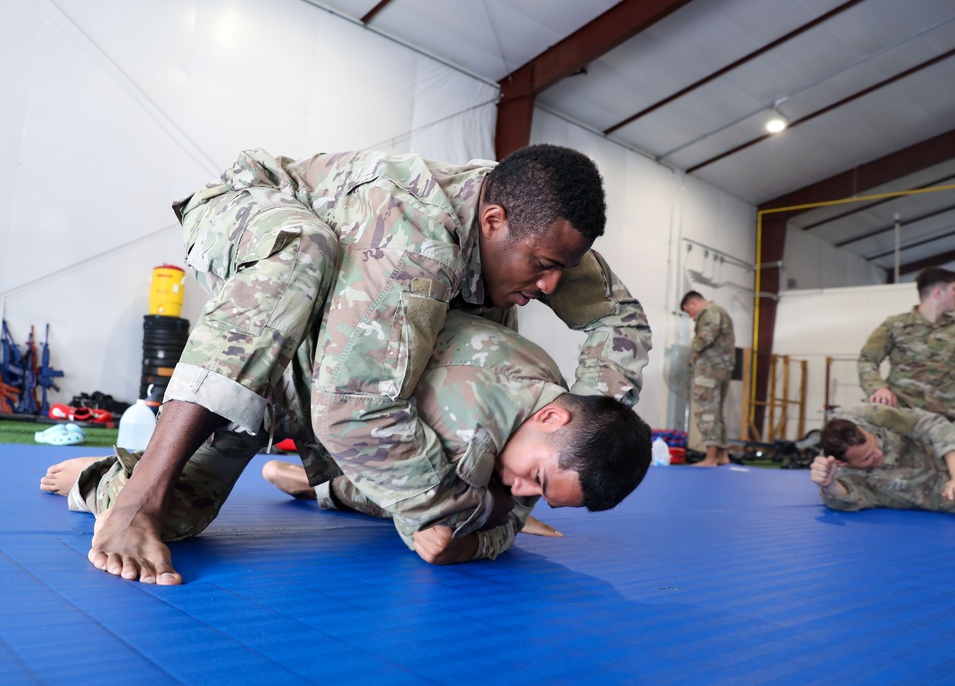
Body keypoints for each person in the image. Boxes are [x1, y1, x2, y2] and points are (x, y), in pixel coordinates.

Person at [82, 144, 652, 584]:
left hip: (344, 340)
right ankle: (135, 496)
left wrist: (578, 431)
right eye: (544, 265)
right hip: (253, 216)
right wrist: (476, 511)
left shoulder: (537, 229)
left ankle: (311, 483)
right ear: (494, 220)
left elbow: (619, 320)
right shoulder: (415, 241)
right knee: (304, 252)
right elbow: (352, 412)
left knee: (186, 519)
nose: (553, 285)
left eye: (562, 268)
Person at [42, 313, 653, 568]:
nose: (524, 489)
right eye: (537, 480)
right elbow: (443, 529)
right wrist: (469, 537)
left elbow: (506, 513)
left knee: (422, 492)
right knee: (172, 519)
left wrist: (501, 521)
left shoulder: (542, 395)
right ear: (554, 421)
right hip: (283, 380)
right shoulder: (478, 423)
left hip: (356, 425)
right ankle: (95, 475)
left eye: (544, 494)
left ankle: (315, 482)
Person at [857, 266, 955, 421]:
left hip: (945, 418)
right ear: (938, 292)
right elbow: (867, 359)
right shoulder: (895, 324)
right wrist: (878, 388)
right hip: (900, 414)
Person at [810, 402, 955, 516]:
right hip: (948, 491)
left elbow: (930, 423)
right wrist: (828, 485)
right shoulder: (839, 472)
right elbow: (850, 498)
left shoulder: (865, 415)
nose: (879, 454)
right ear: (843, 463)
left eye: (875, 444)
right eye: (868, 458)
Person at [680, 291, 735, 467]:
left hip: (710, 370)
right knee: (716, 411)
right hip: (720, 368)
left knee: (707, 410)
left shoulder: (710, 312)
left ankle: (710, 458)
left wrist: (694, 343)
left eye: (689, 312)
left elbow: (706, 337)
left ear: (692, 304)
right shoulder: (719, 311)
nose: (692, 318)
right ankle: (722, 455)